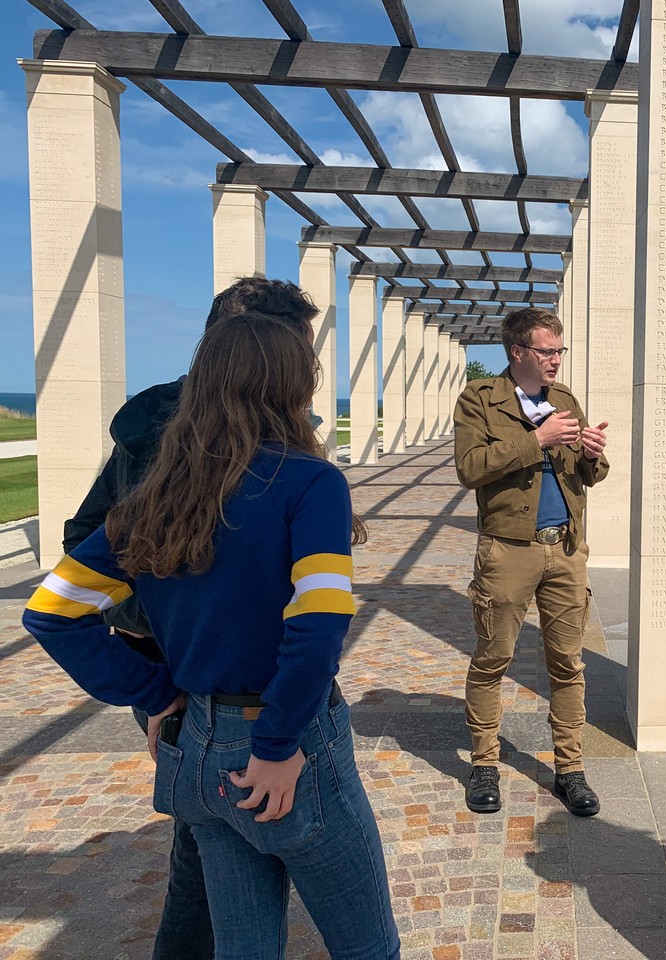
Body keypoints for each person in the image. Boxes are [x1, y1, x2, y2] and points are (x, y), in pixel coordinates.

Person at [25, 312, 401, 959]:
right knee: (368, 948)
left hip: (197, 743)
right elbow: (316, 629)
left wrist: (156, 694)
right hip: (289, 743)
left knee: (242, 949)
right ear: (292, 385)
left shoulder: (157, 497)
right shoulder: (310, 484)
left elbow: (52, 611)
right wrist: (278, 745)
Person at [58, 277, 319, 960]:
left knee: (217, 842)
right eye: (300, 351)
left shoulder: (268, 434)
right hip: (191, 676)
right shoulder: (163, 437)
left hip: (228, 677)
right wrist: (157, 669)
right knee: (207, 854)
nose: (310, 371)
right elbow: (84, 552)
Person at [454, 307, 610, 817]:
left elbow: (592, 475)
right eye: (547, 351)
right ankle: (483, 765)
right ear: (517, 351)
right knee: (492, 659)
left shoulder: (564, 401)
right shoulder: (480, 399)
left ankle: (571, 769)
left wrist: (591, 452)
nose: (556, 361)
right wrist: (535, 440)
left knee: (568, 663)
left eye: (559, 351)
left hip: (565, 550)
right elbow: (469, 468)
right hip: (507, 550)